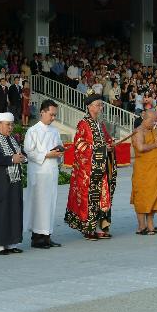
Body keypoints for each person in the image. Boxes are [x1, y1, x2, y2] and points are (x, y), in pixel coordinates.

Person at [65, 94, 117, 241]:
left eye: (101, 105)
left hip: (101, 168)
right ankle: (89, 229)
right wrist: (101, 148)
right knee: (90, 198)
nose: (100, 107)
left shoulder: (100, 124)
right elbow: (79, 145)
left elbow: (107, 141)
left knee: (102, 197)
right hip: (88, 170)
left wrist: (110, 145)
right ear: (89, 106)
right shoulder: (83, 124)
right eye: (97, 105)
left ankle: (100, 227)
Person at [23, 100, 63, 249]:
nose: (53, 118)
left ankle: (47, 235)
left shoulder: (54, 130)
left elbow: (60, 148)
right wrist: (47, 154)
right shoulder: (32, 131)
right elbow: (29, 152)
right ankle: (37, 238)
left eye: (55, 115)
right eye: (51, 114)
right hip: (39, 173)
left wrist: (59, 153)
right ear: (42, 112)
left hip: (51, 172)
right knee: (39, 205)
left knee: (50, 204)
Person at [0, 112, 26, 255]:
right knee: (1, 211)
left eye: (12, 124)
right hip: (0, 182)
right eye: (8, 124)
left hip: (14, 180)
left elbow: (20, 153)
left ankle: (11, 243)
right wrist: (12, 159)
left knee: (14, 210)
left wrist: (22, 157)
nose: (11, 127)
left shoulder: (13, 139)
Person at [131, 108, 157, 235]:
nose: (155, 124)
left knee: (154, 196)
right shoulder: (138, 131)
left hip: (155, 169)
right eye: (153, 121)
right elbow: (140, 147)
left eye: (156, 122)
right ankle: (141, 226)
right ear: (146, 119)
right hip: (143, 169)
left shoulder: (155, 131)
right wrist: (156, 144)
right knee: (142, 197)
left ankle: (150, 225)